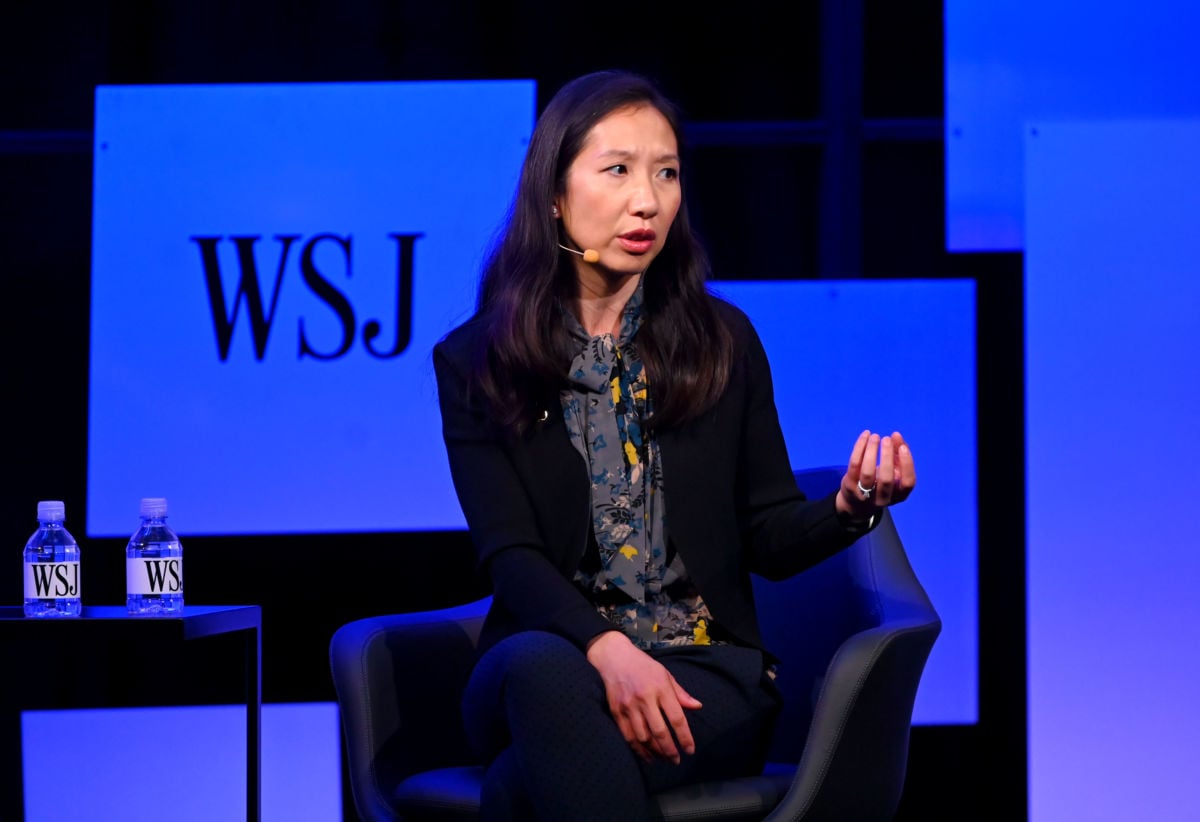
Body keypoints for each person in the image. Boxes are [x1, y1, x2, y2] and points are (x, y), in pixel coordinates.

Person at [432, 69, 916, 821]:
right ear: (555, 194)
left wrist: (851, 508)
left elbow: (768, 534)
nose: (647, 200)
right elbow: (510, 555)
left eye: (666, 173)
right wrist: (607, 650)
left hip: (700, 677)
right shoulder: (479, 361)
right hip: (542, 665)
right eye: (618, 170)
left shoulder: (721, 343)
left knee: (520, 790)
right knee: (539, 668)